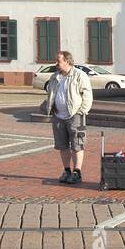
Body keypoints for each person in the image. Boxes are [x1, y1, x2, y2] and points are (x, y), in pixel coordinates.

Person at [41, 50, 94, 184]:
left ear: (67, 61)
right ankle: (67, 171)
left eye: (58, 61)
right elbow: (51, 94)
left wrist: (82, 111)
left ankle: (77, 172)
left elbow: (87, 94)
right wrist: (49, 108)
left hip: (75, 115)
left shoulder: (79, 75)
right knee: (62, 145)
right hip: (58, 116)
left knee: (77, 145)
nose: (56, 63)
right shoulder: (54, 77)